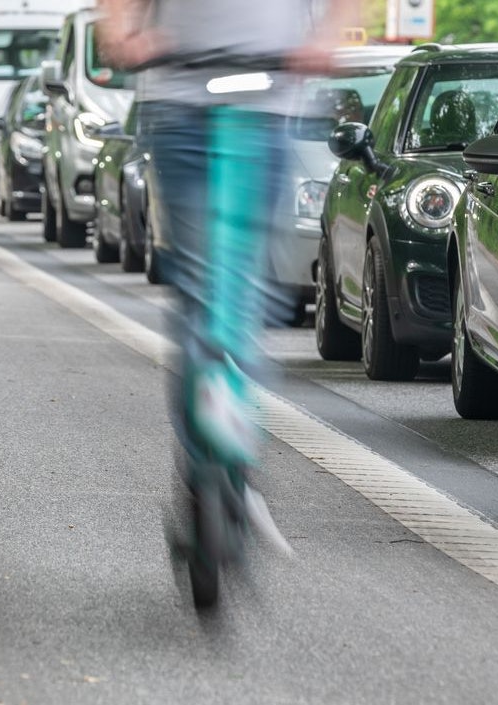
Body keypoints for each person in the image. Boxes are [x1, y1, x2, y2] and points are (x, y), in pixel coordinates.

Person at [97, 0, 359, 607]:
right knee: (197, 292)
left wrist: (325, 37)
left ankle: (236, 457)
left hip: (264, 108)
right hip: (180, 102)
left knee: (241, 295)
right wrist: (122, 30)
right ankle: (200, 468)